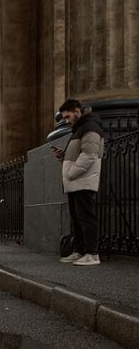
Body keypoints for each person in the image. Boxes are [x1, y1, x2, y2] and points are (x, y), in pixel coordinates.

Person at [53, 99, 104, 266]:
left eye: (67, 117)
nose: (66, 121)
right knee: (77, 218)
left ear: (77, 111)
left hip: (82, 180)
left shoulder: (90, 127)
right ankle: (80, 251)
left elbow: (90, 155)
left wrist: (70, 172)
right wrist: (64, 155)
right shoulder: (80, 128)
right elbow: (79, 154)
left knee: (86, 218)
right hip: (76, 181)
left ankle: (92, 253)